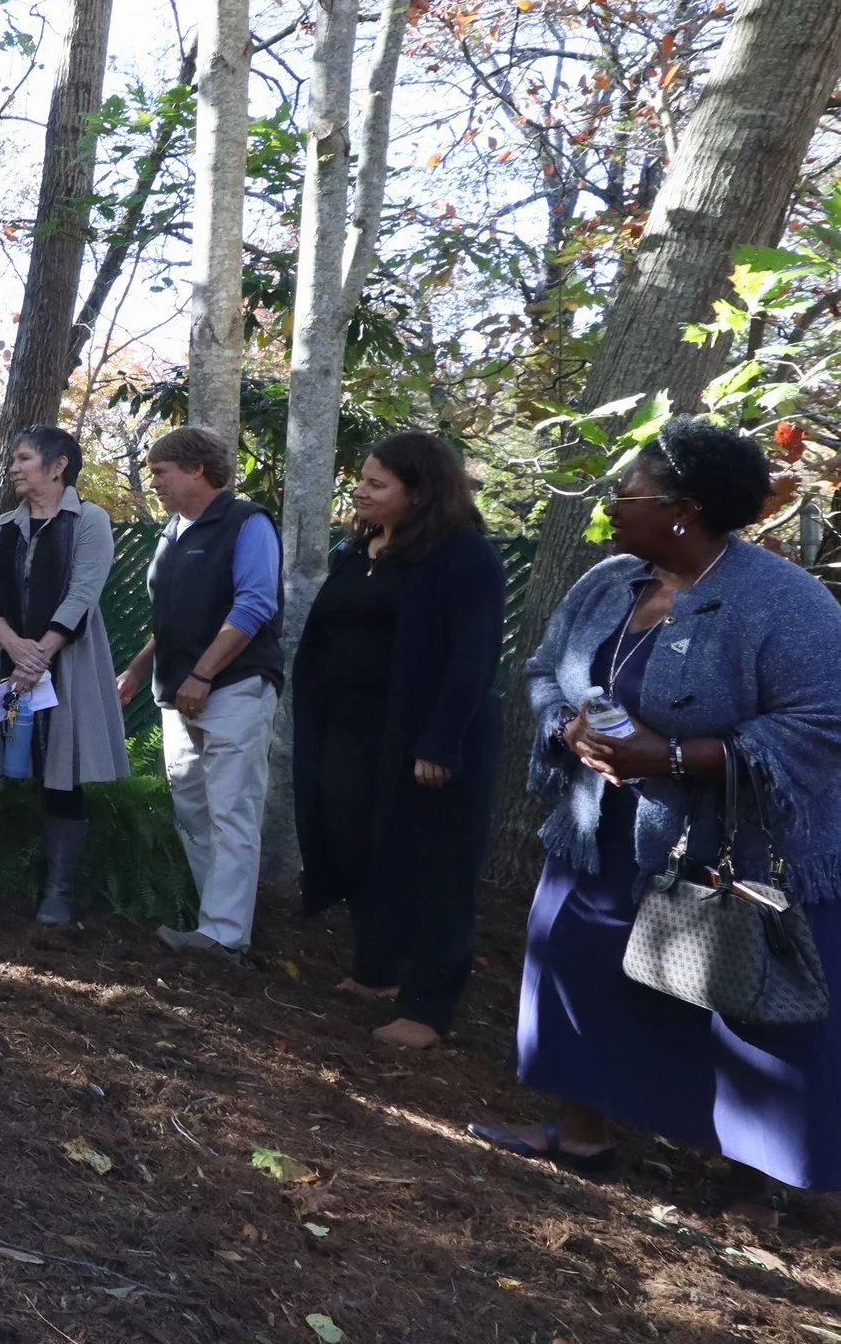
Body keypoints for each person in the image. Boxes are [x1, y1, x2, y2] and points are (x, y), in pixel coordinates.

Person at [471, 418, 841, 1189]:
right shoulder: (606, 583)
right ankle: (579, 1139)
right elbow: (543, 670)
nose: (610, 506)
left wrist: (672, 756)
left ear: (684, 508)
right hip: (595, 828)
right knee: (577, 970)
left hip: (728, 851)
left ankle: (755, 1188)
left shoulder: (783, 602)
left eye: (626, 494)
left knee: (734, 1004)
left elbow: (822, 722)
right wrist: (564, 729)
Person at [290, 432, 505, 1048]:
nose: (359, 490)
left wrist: (440, 742)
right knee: (353, 846)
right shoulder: (357, 551)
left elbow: (474, 657)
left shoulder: (465, 556)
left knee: (431, 865)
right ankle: (376, 970)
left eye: (376, 483)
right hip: (349, 733)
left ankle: (428, 1006)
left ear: (420, 492)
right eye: (361, 479)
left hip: (426, 739)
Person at [0, 425, 129, 922]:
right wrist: (15, 648)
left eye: (23, 459)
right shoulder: (3, 527)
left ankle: (57, 895)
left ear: (58, 466)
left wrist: (40, 656)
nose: (13, 468)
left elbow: (83, 594)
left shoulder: (90, 521)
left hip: (69, 664)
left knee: (62, 779)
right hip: (6, 662)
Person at [117, 425, 282, 957]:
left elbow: (254, 607)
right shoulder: (172, 532)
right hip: (178, 692)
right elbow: (170, 620)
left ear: (196, 469)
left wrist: (205, 673)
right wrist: (139, 670)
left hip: (232, 688)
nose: (154, 482)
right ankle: (212, 922)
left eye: (161, 471)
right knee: (191, 808)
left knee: (232, 808)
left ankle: (226, 934)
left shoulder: (247, 522)